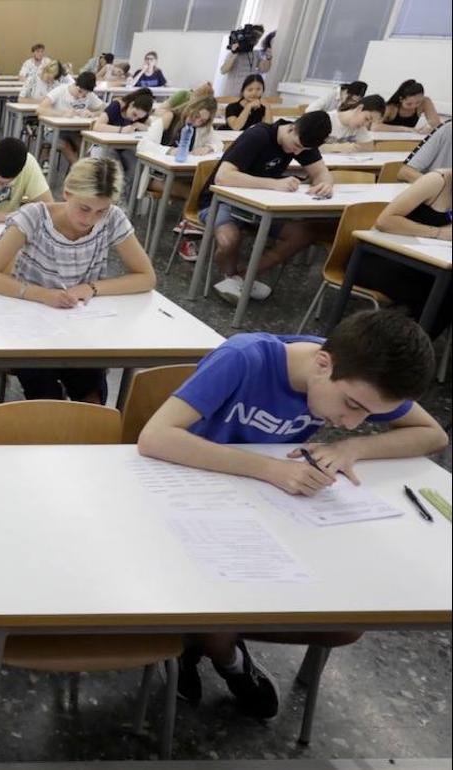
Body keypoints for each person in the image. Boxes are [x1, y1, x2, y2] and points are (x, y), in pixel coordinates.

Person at [138, 309, 445, 719]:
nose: (353, 423)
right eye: (352, 405)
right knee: (215, 605)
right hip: (184, 498)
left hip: (263, 511)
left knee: (344, 625)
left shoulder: (360, 377)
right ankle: (226, 658)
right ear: (323, 364)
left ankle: (194, 643)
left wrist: (350, 449)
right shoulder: (246, 358)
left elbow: (432, 435)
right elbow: (155, 437)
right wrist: (272, 470)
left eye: (368, 416)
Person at [0, 157, 155, 403]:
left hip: (78, 329)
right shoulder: (34, 217)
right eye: (84, 208)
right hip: (29, 328)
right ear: (67, 193)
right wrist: (43, 295)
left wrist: (92, 288)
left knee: (93, 398)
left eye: (100, 211)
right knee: (46, 399)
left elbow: (146, 277)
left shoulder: (112, 218)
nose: (91, 219)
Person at [197, 111, 334, 303]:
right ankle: (230, 276)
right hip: (220, 201)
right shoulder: (258, 136)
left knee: (303, 234)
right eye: (295, 146)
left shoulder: (304, 141)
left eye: (303, 150)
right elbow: (224, 177)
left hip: (260, 208)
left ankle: (244, 278)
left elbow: (321, 172)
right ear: (291, 128)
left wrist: (325, 183)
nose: (297, 153)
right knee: (228, 240)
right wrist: (274, 183)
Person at [355, 169, 452, 334]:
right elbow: (385, 221)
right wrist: (438, 233)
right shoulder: (436, 181)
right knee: (441, 293)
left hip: (422, 263)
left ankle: (412, 346)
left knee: (444, 290)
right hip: (378, 257)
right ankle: (404, 348)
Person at [37, 71, 106, 169]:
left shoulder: (89, 95)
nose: (80, 96)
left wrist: (93, 114)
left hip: (74, 131)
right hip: (53, 131)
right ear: (75, 85)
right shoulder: (61, 90)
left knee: (84, 147)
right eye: (79, 92)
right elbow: (40, 109)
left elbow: (105, 109)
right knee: (65, 146)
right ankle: (80, 171)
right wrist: (62, 114)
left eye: (84, 95)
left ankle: (87, 172)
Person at [90, 88, 154, 181]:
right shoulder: (116, 106)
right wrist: (121, 129)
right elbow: (97, 126)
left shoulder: (141, 115)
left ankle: (126, 194)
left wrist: (141, 126)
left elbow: (151, 127)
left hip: (125, 147)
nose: (133, 119)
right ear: (131, 105)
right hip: (106, 146)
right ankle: (117, 193)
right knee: (116, 171)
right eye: (134, 114)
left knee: (136, 167)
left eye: (138, 118)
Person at [218, 24, 273, 98]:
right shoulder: (234, 52)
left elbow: (263, 69)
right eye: (254, 35)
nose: (256, 39)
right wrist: (234, 53)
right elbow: (223, 70)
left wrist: (268, 57)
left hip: (250, 94)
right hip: (233, 94)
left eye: (258, 37)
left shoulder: (256, 54)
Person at [322, 95, 386, 153]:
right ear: (359, 108)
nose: (366, 125)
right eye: (366, 118)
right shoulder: (324, 119)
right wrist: (337, 147)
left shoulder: (359, 127)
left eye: (370, 123)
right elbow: (312, 148)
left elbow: (369, 148)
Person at [377, 80, 443, 135]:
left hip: (407, 138)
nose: (413, 106)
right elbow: (375, 127)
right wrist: (406, 129)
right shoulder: (390, 108)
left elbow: (436, 124)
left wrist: (429, 128)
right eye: (409, 104)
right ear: (401, 99)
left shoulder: (425, 102)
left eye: (418, 102)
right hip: (382, 137)